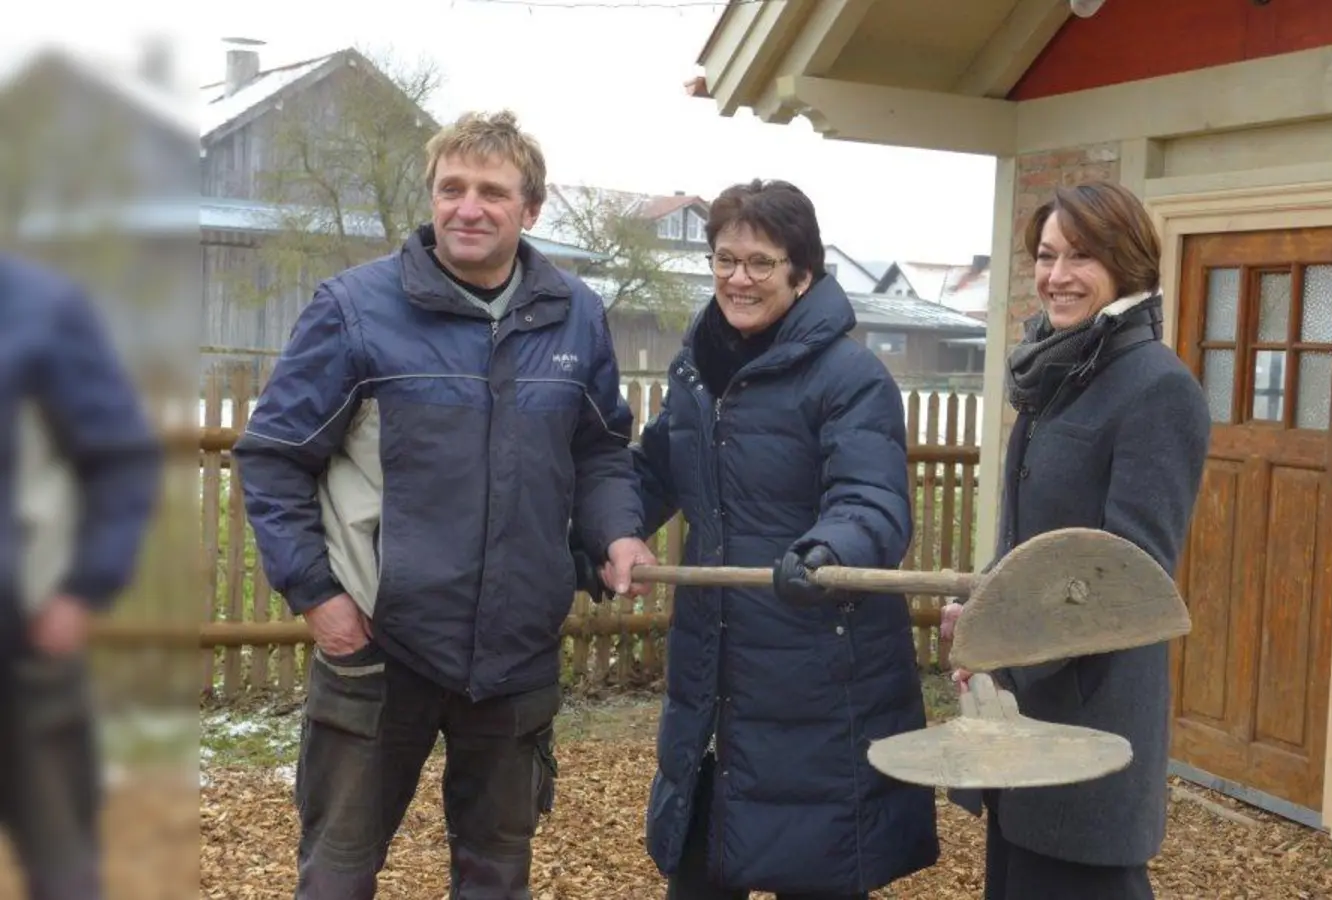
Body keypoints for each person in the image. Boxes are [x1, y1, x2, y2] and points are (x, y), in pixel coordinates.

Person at [233, 110, 656, 900]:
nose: (469, 207)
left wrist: (618, 532)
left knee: (496, 871)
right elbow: (274, 456)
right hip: (379, 643)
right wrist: (318, 596)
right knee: (338, 869)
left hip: (516, 647)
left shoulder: (575, 315)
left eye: (492, 192)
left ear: (531, 209)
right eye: (451, 188)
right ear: (430, 198)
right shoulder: (356, 308)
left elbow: (599, 450)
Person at [619, 179, 939, 899]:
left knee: (816, 865)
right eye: (725, 259)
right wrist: (610, 529)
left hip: (821, 674)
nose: (739, 278)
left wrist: (825, 553)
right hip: (715, 672)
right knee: (702, 863)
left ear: (803, 274)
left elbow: (872, 502)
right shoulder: (698, 370)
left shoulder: (850, 377)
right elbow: (656, 470)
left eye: (761, 262)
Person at [941, 180, 1211, 900]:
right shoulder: (1060, 372)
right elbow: (1031, 539)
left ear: (1127, 264)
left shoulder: (1157, 388)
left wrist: (1005, 642)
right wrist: (983, 608)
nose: (1056, 275)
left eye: (1081, 256)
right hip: (1019, 718)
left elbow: (1126, 581)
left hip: (1089, 719)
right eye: (1046, 255)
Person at [0, 252, 164, 900]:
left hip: (21, 646)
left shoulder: (41, 310)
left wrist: (81, 588)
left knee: (61, 862)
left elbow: (120, 457)